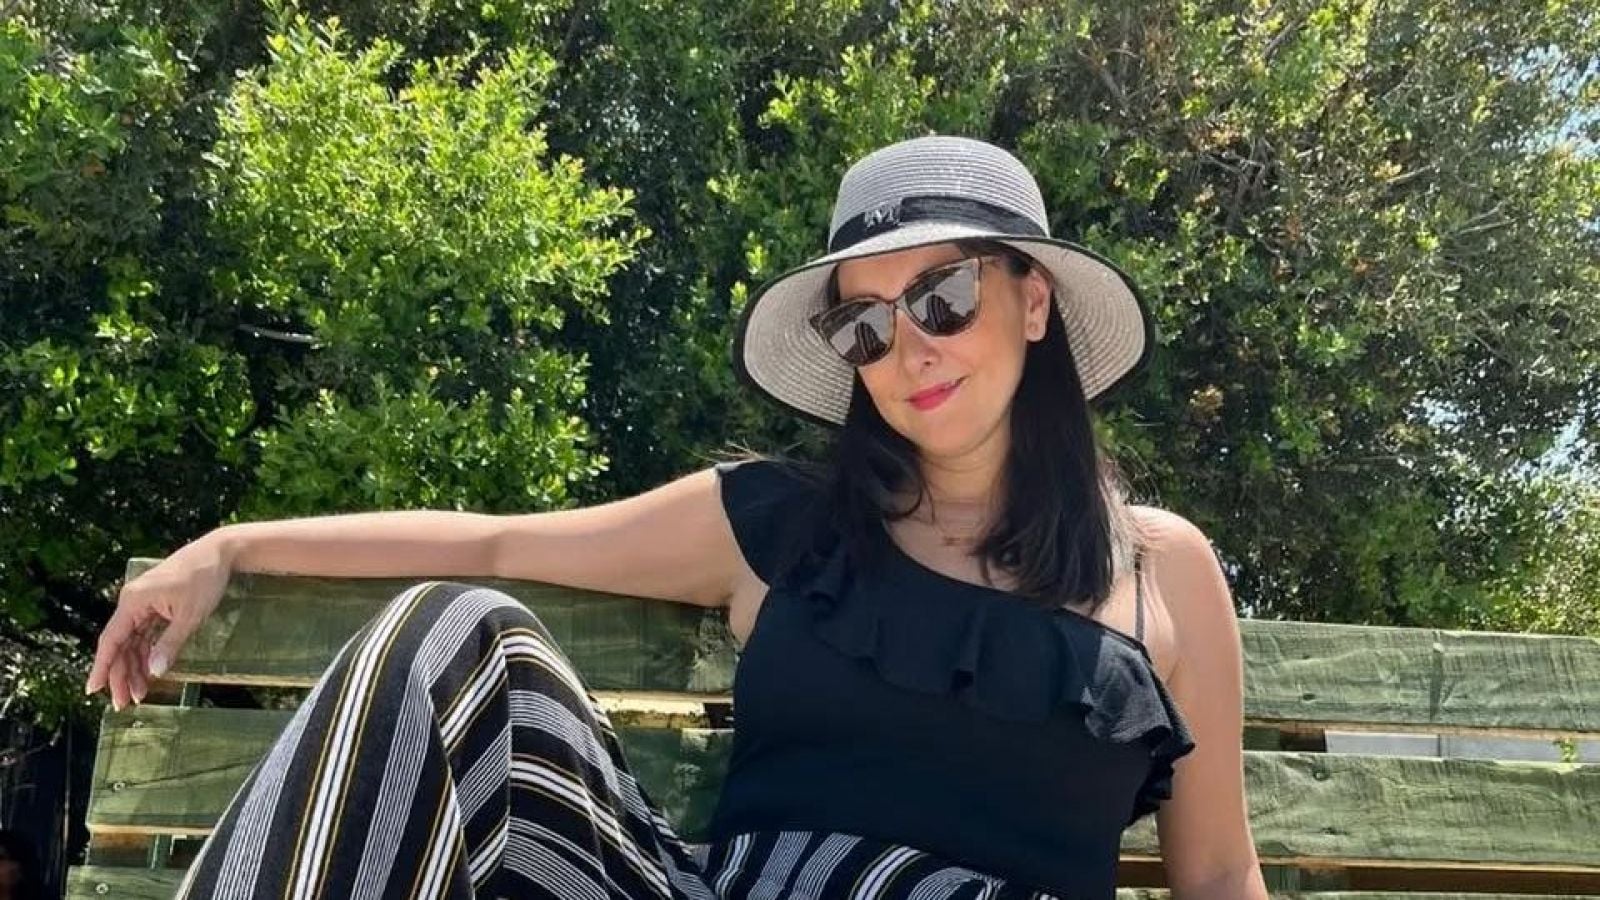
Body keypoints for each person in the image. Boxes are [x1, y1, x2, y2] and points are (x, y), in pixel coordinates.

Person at [83, 135, 1266, 899]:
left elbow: (1216, 875)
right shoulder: (784, 526)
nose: (907, 347)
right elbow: (492, 541)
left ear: (1033, 301)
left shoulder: (1162, 572)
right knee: (460, 631)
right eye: (862, 325)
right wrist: (228, 546)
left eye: (942, 296)